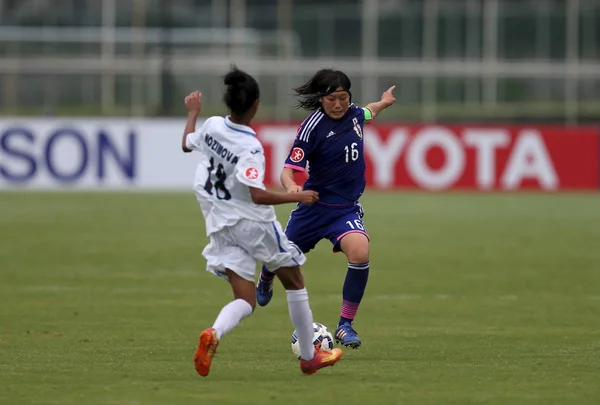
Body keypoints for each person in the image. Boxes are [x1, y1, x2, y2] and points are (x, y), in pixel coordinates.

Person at [182, 66, 343, 377]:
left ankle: (214, 333)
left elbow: (187, 143)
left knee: (245, 299)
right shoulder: (250, 147)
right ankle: (310, 357)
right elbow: (256, 195)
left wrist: (193, 113)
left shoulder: (213, 125)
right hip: (251, 224)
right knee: (294, 281)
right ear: (255, 104)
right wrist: (299, 196)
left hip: (219, 224)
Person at [256, 68, 396, 349]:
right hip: (313, 208)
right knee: (280, 256)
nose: (338, 104)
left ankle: (345, 325)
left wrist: (383, 102)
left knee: (360, 251)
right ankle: (266, 276)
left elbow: (368, 112)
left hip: (345, 210)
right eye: (332, 98)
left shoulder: (355, 114)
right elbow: (288, 169)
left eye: (343, 98)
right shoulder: (312, 127)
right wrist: (291, 187)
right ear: (321, 99)